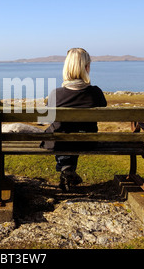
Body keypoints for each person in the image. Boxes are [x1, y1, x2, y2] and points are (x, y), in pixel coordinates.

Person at [40, 48, 107, 192]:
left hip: (60, 142)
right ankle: (68, 170)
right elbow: (103, 107)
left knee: (61, 133)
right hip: (88, 142)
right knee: (75, 133)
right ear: (87, 67)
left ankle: (66, 168)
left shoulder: (56, 94)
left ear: (66, 67)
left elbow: (47, 117)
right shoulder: (95, 93)